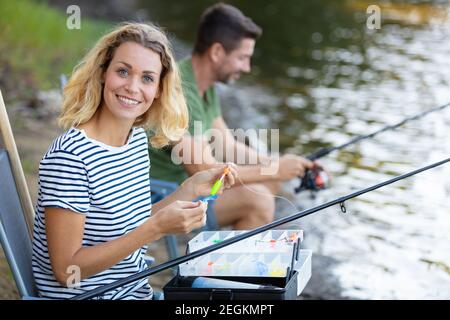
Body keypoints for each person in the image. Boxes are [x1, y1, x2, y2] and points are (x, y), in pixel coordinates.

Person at [31, 22, 237, 300]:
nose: (132, 87)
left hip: (136, 292)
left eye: (147, 78)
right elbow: (67, 271)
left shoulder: (135, 140)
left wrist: (190, 189)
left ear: (159, 90)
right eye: (123, 71)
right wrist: (156, 229)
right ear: (103, 72)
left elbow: (133, 226)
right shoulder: (71, 157)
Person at [149, 3, 316, 230]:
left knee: (269, 179)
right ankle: (223, 263)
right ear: (217, 52)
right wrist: (275, 168)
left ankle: (227, 253)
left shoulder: (204, 86)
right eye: (242, 58)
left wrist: (280, 164)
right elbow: (206, 173)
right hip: (161, 197)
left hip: (184, 188)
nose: (247, 67)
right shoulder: (182, 91)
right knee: (259, 201)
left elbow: (227, 145)